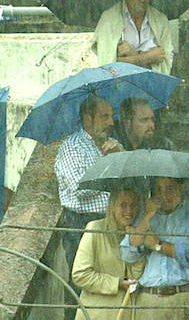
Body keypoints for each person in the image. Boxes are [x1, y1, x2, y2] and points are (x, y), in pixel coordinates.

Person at [121, 176, 189, 319]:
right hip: (150, 300)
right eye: (159, 190)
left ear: (181, 188)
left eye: (169, 188)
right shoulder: (146, 215)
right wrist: (147, 216)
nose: (163, 195)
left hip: (185, 297)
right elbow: (127, 254)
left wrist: (159, 245)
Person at [55, 94, 123, 271]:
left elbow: (131, 181)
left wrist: (122, 156)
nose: (111, 122)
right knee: (83, 277)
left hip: (112, 221)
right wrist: (107, 166)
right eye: (104, 117)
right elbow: (80, 188)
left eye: (111, 116)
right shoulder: (72, 147)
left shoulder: (114, 145)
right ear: (87, 119)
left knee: (112, 275)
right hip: (81, 223)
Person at [71, 185, 145, 320]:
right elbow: (80, 275)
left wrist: (135, 245)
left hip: (127, 313)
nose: (129, 210)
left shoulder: (137, 233)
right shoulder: (95, 229)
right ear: (112, 207)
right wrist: (117, 283)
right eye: (123, 205)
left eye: (133, 205)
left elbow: (136, 276)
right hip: (97, 314)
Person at [93, 0, 178, 74]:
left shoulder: (160, 20)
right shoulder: (109, 19)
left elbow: (166, 60)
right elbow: (107, 64)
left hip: (151, 82)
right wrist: (148, 57)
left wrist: (132, 56)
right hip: (121, 83)